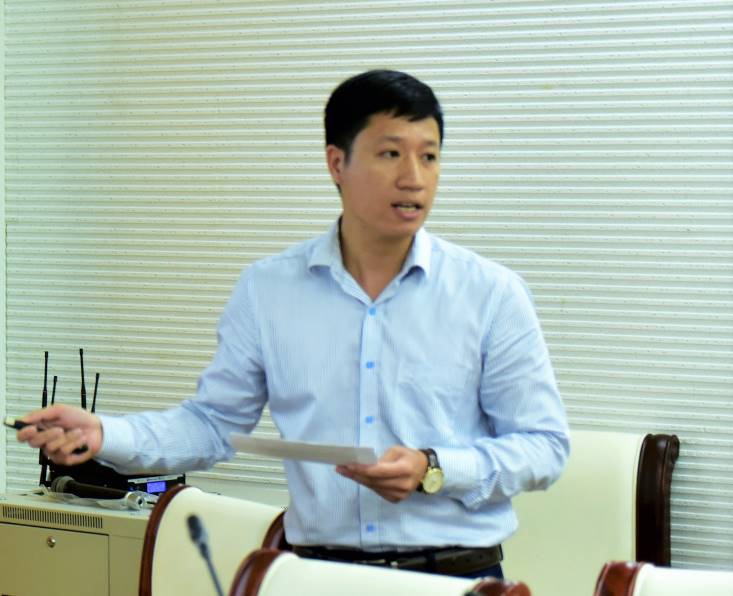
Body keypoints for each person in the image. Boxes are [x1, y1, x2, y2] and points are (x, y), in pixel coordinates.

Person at [16, 69, 569, 579]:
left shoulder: (490, 293)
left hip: (455, 577)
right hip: (315, 576)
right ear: (337, 163)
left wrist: (435, 468)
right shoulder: (268, 290)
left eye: (429, 156)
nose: (414, 177)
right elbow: (213, 425)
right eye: (390, 153)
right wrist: (104, 434)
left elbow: (544, 446)